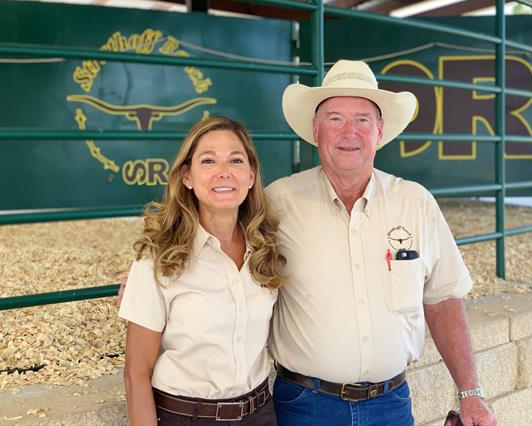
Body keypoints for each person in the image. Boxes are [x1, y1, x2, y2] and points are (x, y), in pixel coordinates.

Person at [266, 59, 496, 426]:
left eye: (362, 119)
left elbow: (443, 300)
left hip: (390, 406)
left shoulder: (415, 202)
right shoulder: (276, 204)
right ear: (315, 129)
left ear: (380, 130)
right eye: (335, 118)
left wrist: (471, 394)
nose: (349, 132)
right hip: (304, 406)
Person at [118, 116, 286, 426]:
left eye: (235, 160)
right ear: (187, 177)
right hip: (186, 417)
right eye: (208, 161)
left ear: (251, 175)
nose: (224, 172)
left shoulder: (268, 248)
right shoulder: (159, 259)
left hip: (260, 413)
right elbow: (136, 373)